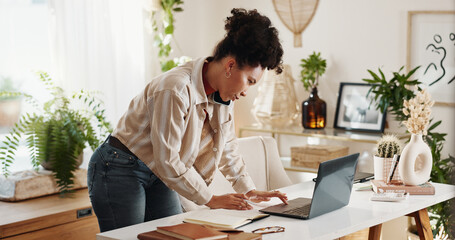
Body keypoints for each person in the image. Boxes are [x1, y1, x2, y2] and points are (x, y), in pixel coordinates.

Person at [87, 8, 288, 232]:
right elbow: (169, 160)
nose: (245, 92)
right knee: (128, 237)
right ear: (230, 66)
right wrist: (211, 199)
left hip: (158, 172)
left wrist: (249, 190)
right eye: (250, 81)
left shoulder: (223, 98)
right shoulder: (175, 89)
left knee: (174, 236)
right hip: (119, 166)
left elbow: (228, 149)